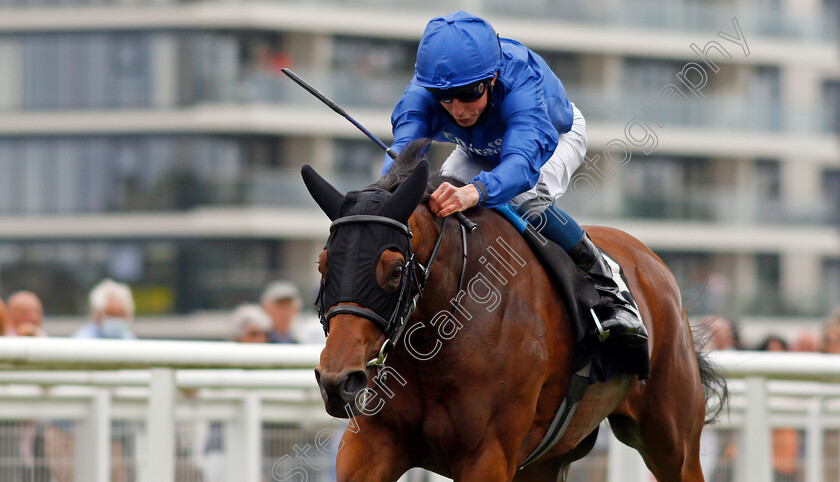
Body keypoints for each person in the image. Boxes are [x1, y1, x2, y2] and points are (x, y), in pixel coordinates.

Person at [382, 11, 646, 346]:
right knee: (436, 196)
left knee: (522, 201)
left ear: (492, 79)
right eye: (444, 98)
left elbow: (520, 165)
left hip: (549, 137)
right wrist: (384, 198)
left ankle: (609, 285)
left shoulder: (521, 79)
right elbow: (402, 158)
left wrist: (476, 191)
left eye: (468, 94)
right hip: (477, 146)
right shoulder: (422, 94)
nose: (457, 109)